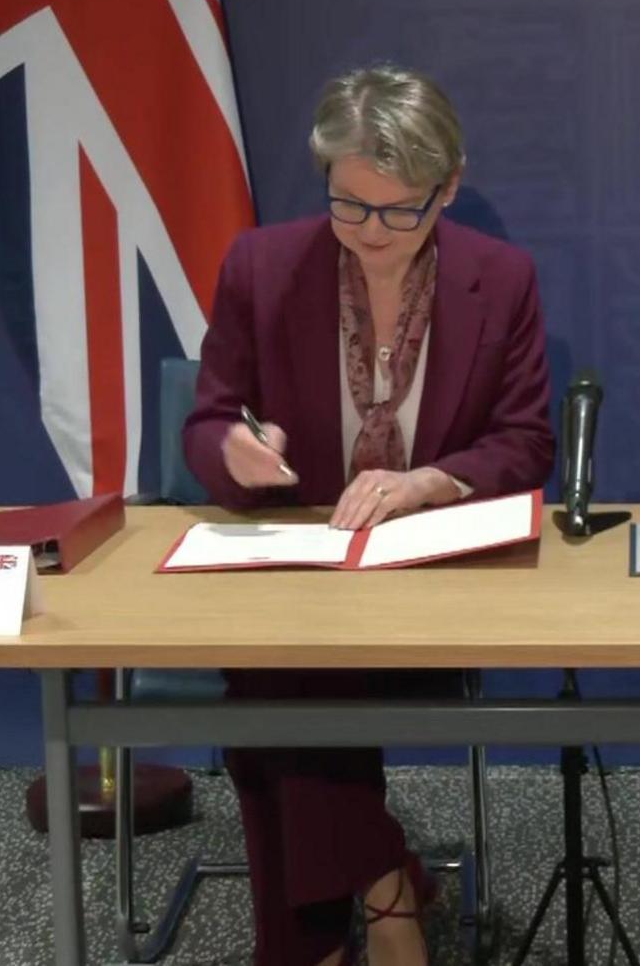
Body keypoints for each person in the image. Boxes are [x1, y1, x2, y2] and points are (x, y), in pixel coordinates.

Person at [183, 63, 555, 966]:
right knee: (274, 678)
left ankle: (314, 939)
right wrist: (233, 454)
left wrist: (429, 482)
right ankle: (388, 887)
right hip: (302, 562)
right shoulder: (263, 265)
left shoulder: (500, 278)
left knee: (264, 715)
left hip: (434, 581)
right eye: (349, 207)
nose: (371, 233)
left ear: (448, 188)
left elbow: (526, 441)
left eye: (399, 210)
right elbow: (207, 422)